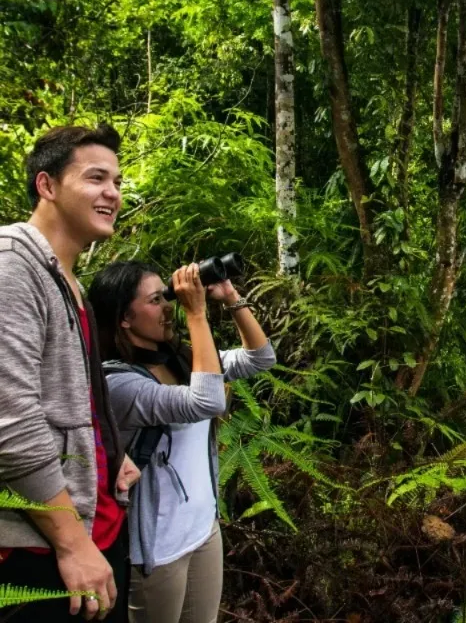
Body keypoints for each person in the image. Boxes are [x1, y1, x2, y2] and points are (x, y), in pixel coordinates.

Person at [0, 124, 140, 623]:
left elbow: (73, 394)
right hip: (40, 550)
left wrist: (109, 452)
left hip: (95, 528)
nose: (113, 193)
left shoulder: (67, 279)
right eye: (97, 178)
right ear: (47, 185)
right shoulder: (12, 265)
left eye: (118, 182)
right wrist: (72, 543)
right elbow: (10, 424)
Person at [87, 259, 276, 623]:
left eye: (167, 296)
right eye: (156, 300)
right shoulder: (120, 384)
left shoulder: (184, 360)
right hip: (157, 547)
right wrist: (197, 315)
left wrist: (229, 295)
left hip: (204, 529)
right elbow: (206, 401)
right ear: (124, 318)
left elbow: (261, 358)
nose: (169, 307)